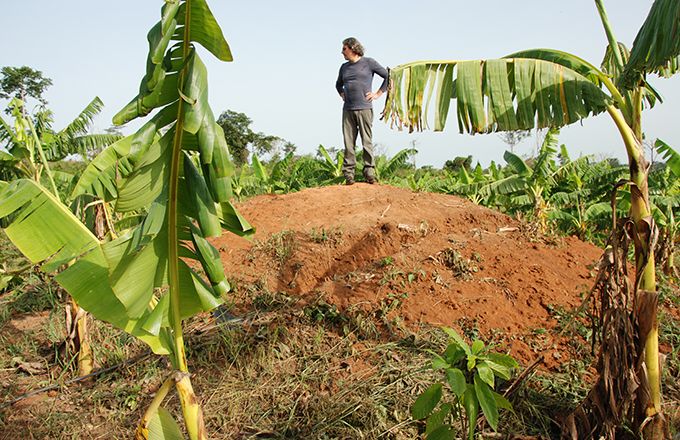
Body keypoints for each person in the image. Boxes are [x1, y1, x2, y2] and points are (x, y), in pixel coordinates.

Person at [335, 37, 388, 185]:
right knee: (349, 143)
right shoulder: (344, 67)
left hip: (364, 108)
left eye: (344, 49)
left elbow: (388, 76)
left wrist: (377, 94)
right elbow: (338, 84)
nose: (342, 52)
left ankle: (369, 173)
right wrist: (342, 93)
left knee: (366, 142)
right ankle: (349, 175)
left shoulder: (369, 63)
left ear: (353, 48)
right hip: (348, 110)